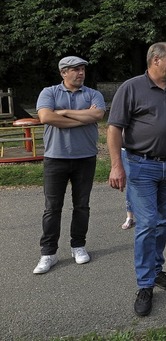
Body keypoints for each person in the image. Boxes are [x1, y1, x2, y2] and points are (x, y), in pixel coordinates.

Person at [107, 42, 166, 317]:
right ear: (155, 60)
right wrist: (116, 166)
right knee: (146, 223)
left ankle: (156, 271)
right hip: (141, 166)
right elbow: (114, 128)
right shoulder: (131, 88)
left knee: (163, 221)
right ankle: (145, 284)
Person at [32, 56, 106, 274]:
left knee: (82, 205)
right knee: (52, 208)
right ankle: (48, 253)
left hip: (85, 157)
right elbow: (46, 117)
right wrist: (83, 118)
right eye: (75, 69)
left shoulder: (93, 94)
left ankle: (78, 246)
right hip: (56, 157)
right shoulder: (49, 92)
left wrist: (62, 113)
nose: (80, 73)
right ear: (63, 73)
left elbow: (98, 114)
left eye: (82, 69)